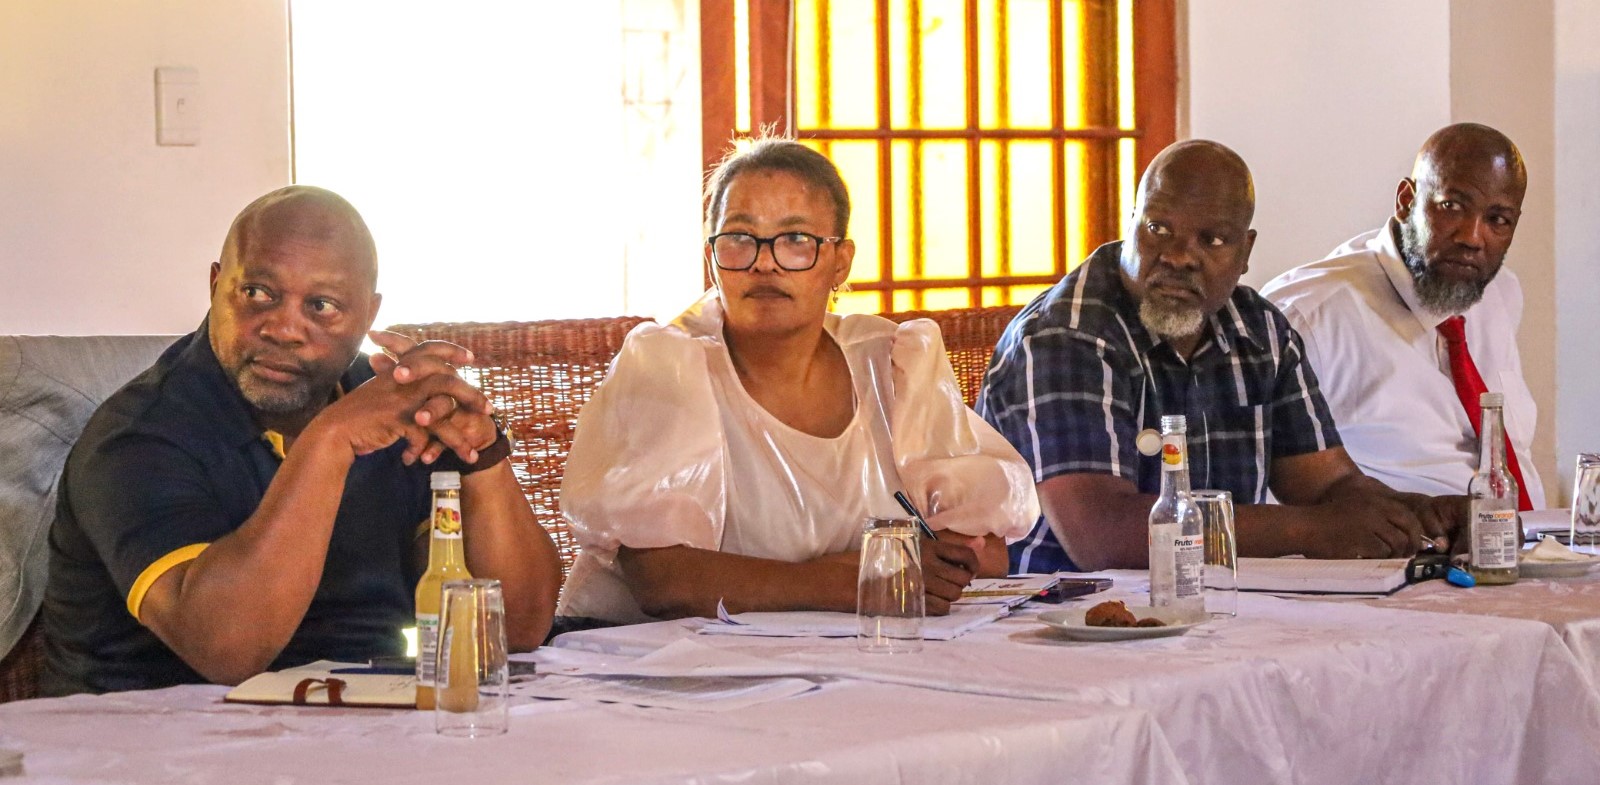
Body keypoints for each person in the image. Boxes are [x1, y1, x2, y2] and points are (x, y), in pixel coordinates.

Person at [41, 186, 562, 695]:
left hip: (366, 725)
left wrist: (482, 456)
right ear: (216, 286)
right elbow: (225, 649)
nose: (285, 328)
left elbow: (515, 630)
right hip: (153, 744)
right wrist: (330, 441)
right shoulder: (138, 438)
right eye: (257, 294)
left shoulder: (389, 406)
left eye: (322, 305)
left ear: (369, 316)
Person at [555, 138, 1039, 626]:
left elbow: (984, 551)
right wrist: (859, 578)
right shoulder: (669, 363)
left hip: (828, 657)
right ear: (711, 258)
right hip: (645, 665)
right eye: (740, 239)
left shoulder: (890, 362)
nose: (764, 262)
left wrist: (799, 579)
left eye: (796, 240)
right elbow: (667, 582)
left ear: (840, 262)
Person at [978, 140, 1461, 574]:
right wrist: (1313, 531)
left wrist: (1426, 516)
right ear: (1130, 223)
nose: (1179, 256)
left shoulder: (1260, 331)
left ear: (1245, 251)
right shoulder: (1067, 336)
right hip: (1062, 621)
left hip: (1216, 607)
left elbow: (1329, 486)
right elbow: (1103, 535)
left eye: (1212, 240)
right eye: (1158, 228)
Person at [1262, 123, 1544, 509]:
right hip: (1400, 560)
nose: (1472, 237)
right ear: (1406, 200)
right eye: (1452, 206)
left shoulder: (1499, 294)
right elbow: (1262, 485)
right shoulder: (1308, 316)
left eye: (1497, 220)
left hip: (1527, 549)